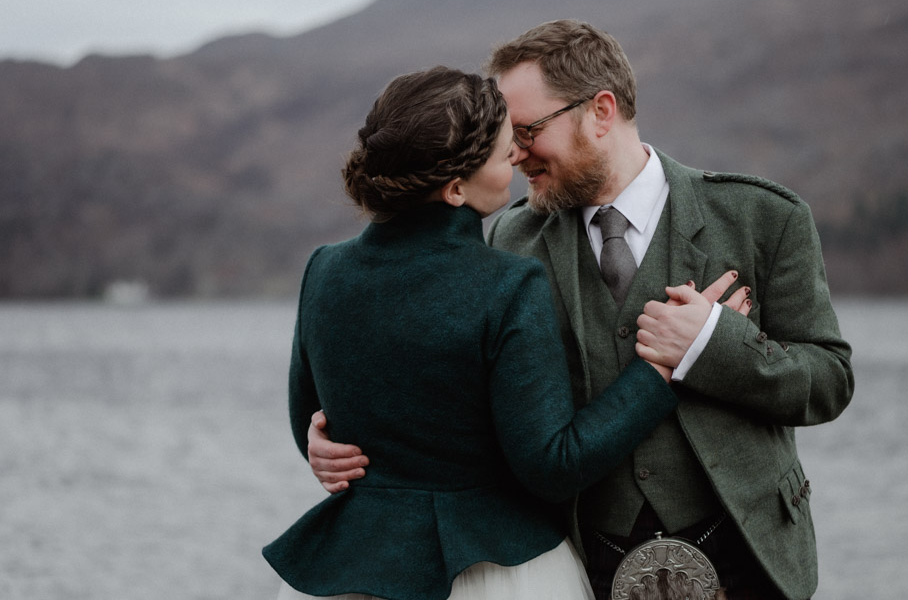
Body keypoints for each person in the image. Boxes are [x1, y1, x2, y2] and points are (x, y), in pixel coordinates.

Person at [307, 21, 855, 600]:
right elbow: (471, 409)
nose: (514, 154)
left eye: (527, 131)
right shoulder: (506, 243)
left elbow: (828, 381)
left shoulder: (763, 218)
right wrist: (341, 440)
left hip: (748, 553)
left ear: (600, 111)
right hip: (575, 561)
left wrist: (713, 343)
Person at [262, 66, 691, 600]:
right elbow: (553, 465)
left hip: (352, 571)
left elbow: (307, 416)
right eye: (501, 150)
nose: (515, 157)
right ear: (456, 189)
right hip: (492, 573)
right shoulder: (507, 285)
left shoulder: (322, 270)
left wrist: (316, 446)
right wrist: (657, 370)